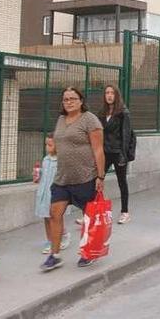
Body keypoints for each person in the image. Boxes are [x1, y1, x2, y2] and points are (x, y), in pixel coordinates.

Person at [40, 87, 105, 272]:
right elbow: (57, 145)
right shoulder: (61, 119)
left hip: (85, 177)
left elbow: (98, 149)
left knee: (88, 217)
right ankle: (55, 255)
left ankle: (88, 252)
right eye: (65, 99)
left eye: (72, 99)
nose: (68, 102)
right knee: (54, 213)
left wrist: (100, 176)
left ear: (81, 101)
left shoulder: (90, 119)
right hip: (62, 177)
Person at [98, 85, 133, 224]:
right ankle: (92, 211)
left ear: (116, 95)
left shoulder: (123, 112)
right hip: (104, 152)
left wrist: (123, 155)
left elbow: (127, 134)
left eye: (112, 93)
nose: (109, 95)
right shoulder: (101, 112)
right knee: (97, 180)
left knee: (121, 182)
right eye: (107, 93)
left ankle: (125, 212)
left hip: (118, 152)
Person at [35, 133, 70, 254]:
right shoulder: (46, 159)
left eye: (50, 145)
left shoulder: (61, 161)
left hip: (55, 194)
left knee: (55, 218)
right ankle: (49, 240)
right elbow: (43, 176)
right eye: (46, 144)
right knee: (46, 217)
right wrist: (37, 175)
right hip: (44, 193)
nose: (47, 147)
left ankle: (62, 235)